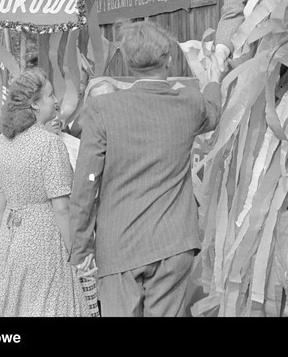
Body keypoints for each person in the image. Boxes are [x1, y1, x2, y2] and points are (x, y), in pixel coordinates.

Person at [70, 21, 222, 317]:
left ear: (127, 61)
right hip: (173, 242)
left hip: (118, 245)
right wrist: (214, 80)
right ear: (168, 59)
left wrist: (81, 248)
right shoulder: (190, 104)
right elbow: (214, 112)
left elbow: (86, 183)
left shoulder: (103, 110)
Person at [0, 68, 96, 317]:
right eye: (50, 95)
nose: (56, 101)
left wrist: (9, 239)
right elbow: (61, 207)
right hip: (47, 238)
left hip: (12, 237)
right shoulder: (49, 143)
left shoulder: (4, 143)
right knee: (50, 305)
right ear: (35, 104)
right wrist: (76, 251)